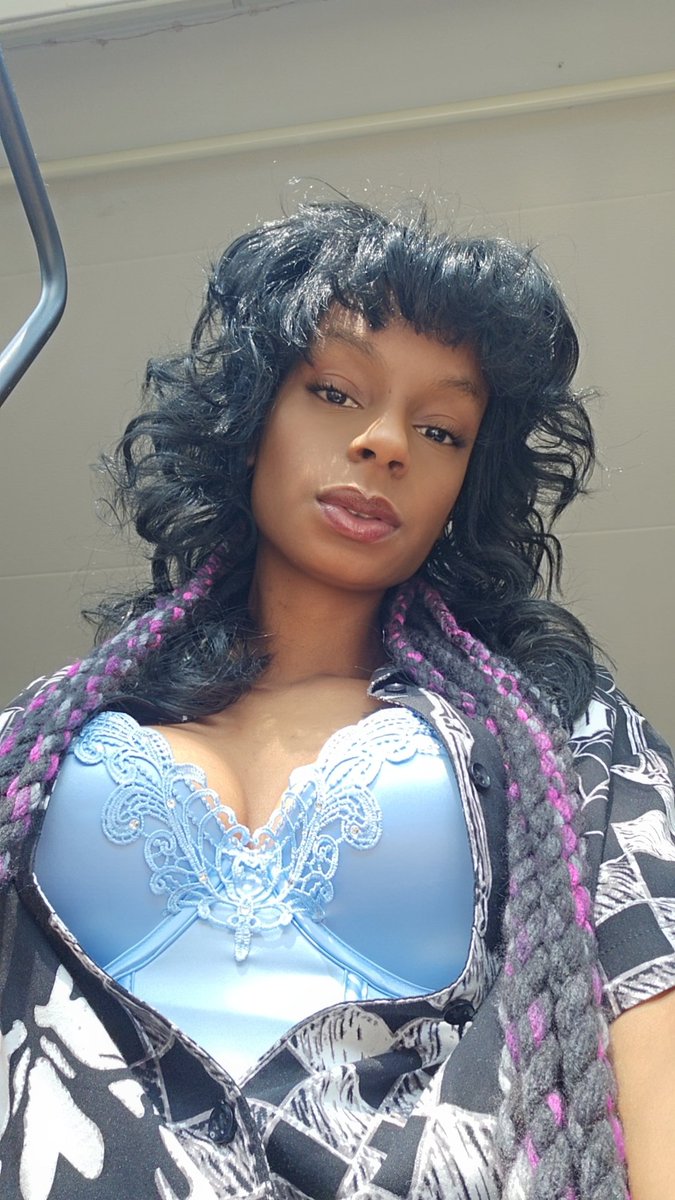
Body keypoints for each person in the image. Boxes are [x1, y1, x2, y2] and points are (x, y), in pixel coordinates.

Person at [0, 200, 673, 1200]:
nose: (386, 443)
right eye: (332, 391)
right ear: (250, 420)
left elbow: (652, 1038)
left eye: (440, 429)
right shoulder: (38, 739)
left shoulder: (561, 738)